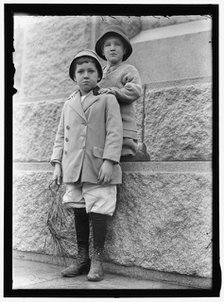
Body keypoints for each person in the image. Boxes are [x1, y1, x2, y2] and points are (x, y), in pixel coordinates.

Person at [50, 49, 123, 282]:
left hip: (98, 165)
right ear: (74, 76)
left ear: (98, 76)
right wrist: (57, 164)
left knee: (99, 209)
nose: (85, 75)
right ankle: (82, 259)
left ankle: (97, 260)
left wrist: (110, 161)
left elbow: (114, 132)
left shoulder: (107, 99)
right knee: (79, 210)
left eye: (91, 71)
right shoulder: (69, 103)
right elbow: (61, 135)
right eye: (80, 71)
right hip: (73, 167)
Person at [95, 24, 144, 161]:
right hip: (104, 126)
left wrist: (114, 92)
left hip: (123, 126)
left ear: (124, 50)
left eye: (117, 44)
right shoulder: (99, 74)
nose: (112, 48)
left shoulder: (128, 69)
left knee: (124, 152)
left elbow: (135, 90)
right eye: (108, 45)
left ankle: (139, 151)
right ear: (103, 51)